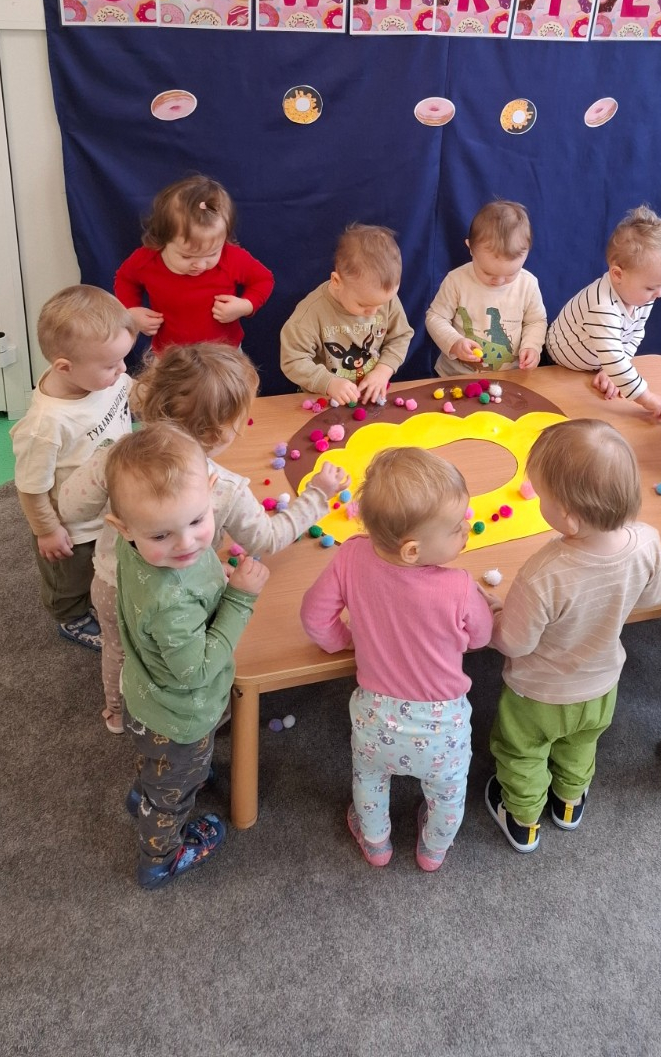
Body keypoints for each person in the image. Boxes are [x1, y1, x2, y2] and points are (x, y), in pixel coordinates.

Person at [59, 343, 344, 733]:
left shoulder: (118, 457)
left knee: (120, 647)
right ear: (218, 432)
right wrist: (317, 496)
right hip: (184, 594)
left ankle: (117, 713)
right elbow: (266, 540)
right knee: (183, 656)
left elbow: (70, 507)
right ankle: (192, 715)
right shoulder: (221, 485)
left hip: (112, 582)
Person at [301, 447, 493, 871]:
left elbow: (314, 618)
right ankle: (433, 850)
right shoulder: (460, 586)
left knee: (369, 779)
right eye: (456, 528)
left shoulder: (350, 556)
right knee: (448, 791)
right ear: (411, 550)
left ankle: (376, 843)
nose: (466, 529)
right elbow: (481, 636)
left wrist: (346, 641)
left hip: (376, 719)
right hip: (443, 727)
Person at [485, 420, 661, 852]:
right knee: (581, 743)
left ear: (567, 516)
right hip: (601, 685)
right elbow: (654, 596)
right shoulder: (647, 541)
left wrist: (494, 614)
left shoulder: (544, 571)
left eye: (542, 497)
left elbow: (515, 642)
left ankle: (523, 819)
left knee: (522, 752)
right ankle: (569, 802)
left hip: (538, 695)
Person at [108, 423, 269, 888]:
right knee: (172, 796)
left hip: (145, 695)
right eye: (162, 534)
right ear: (123, 527)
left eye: (197, 521)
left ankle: (146, 791)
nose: (185, 544)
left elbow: (183, 553)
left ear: (212, 494)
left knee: (158, 767)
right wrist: (239, 599)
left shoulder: (136, 543)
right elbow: (196, 670)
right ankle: (160, 857)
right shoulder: (171, 602)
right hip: (179, 718)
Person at [10, 286, 135, 650]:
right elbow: (31, 487)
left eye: (123, 359)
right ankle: (71, 616)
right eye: (111, 365)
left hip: (111, 504)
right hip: (72, 526)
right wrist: (47, 530)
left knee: (109, 562)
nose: (122, 370)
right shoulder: (45, 425)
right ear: (64, 367)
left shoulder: (102, 377)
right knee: (70, 577)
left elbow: (130, 391)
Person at [546, 205, 661, 420]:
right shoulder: (602, 306)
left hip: (598, 361)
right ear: (618, 274)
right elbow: (614, 360)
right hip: (557, 364)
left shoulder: (641, 297)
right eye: (651, 287)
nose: (659, 294)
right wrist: (649, 399)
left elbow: (635, 334)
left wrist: (611, 372)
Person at [114, 174, 273, 352]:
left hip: (224, 355)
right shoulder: (147, 259)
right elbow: (125, 279)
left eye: (212, 254)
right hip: (169, 354)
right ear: (162, 240)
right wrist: (131, 312)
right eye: (187, 256)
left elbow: (264, 279)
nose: (200, 265)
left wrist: (245, 306)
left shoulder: (231, 257)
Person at [281, 224, 413, 406]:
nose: (374, 312)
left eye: (381, 304)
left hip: (368, 396)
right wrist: (328, 383)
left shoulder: (382, 298)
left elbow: (401, 336)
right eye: (364, 305)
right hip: (322, 399)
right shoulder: (310, 314)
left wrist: (383, 370)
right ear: (337, 281)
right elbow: (293, 359)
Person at [425, 200, 547, 377]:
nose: (499, 281)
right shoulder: (456, 280)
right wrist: (454, 342)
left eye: (511, 273)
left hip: (510, 377)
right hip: (455, 375)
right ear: (471, 248)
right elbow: (435, 317)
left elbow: (536, 321)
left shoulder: (528, 284)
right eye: (488, 272)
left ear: (527, 254)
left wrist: (532, 346)